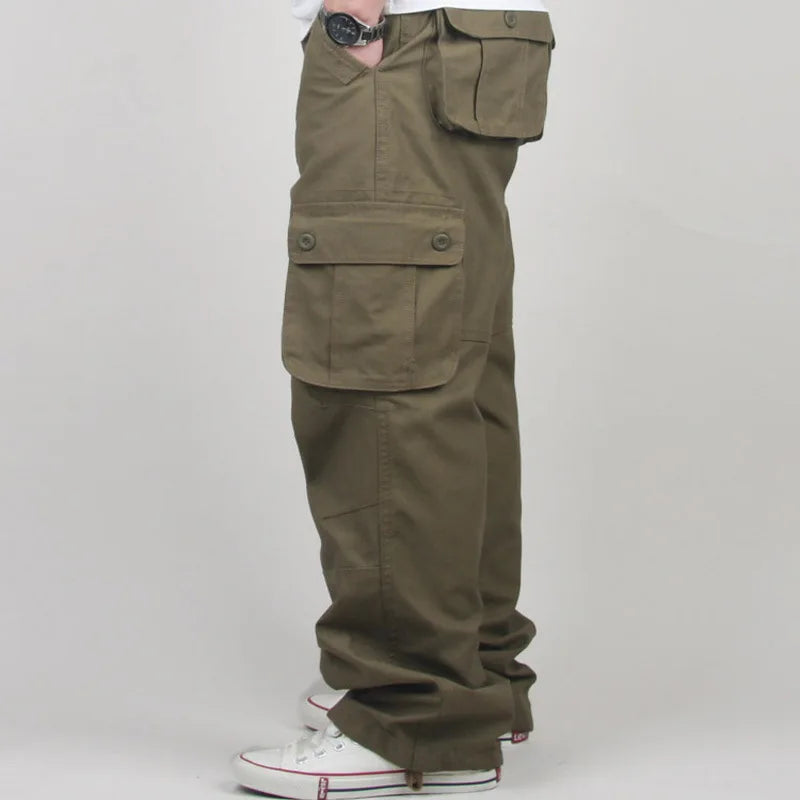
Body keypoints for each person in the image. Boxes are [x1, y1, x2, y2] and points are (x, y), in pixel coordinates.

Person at [231, 1, 556, 797]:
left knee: (384, 375)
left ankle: (415, 714)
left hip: (397, 40)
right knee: (453, 368)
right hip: (475, 38)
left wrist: (354, 22)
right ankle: (473, 679)